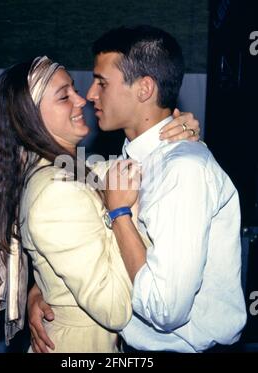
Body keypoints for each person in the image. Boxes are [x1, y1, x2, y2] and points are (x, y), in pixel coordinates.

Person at [29, 25, 247, 353]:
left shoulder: (182, 170)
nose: (89, 95)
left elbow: (165, 310)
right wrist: (43, 285)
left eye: (101, 82)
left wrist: (119, 215)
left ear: (144, 88)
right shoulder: (131, 161)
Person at [0, 55, 198, 353]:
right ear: (31, 118)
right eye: (64, 96)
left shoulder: (72, 168)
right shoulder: (56, 192)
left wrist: (176, 136)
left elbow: (130, 168)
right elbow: (116, 310)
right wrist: (121, 214)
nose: (82, 100)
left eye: (74, 89)